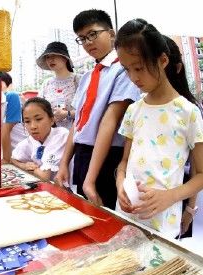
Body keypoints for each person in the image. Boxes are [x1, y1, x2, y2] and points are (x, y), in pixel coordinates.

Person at [114, 19, 203, 238]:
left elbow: (201, 174)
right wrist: (120, 184)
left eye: (139, 68)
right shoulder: (134, 110)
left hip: (163, 224)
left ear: (163, 60)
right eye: (127, 70)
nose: (134, 77)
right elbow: (124, 162)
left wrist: (171, 197)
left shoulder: (188, 112)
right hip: (126, 216)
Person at [55, 9, 140, 209]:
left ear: (111, 34)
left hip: (108, 154)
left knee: (107, 217)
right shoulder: (86, 77)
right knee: (86, 212)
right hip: (83, 154)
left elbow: (110, 119)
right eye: (82, 39)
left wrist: (91, 179)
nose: (88, 42)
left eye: (93, 34)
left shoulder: (123, 69)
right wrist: (64, 163)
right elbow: (78, 122)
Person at [163, 35, 200, 237]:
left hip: (181, 189)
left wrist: (190, 209)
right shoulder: (139, 107)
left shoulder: (190, 110)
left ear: (176, 69)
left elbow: (197, 167)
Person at [11, 97, 69, 181]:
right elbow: (13, 159)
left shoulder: (61, 135)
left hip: (67, 190)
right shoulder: (30, 141)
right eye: (27, 121)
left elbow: (44, 176)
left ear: (52, 120)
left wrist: (32, 169)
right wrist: (24, 165)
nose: (33, 126)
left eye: (38, 119)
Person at [36, 41, 80, 129]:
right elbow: (39, 109)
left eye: (54, 56)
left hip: (74, 135)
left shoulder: (78, 80)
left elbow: (90, 110)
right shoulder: (46, 83)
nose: (50, 60)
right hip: (52, 135)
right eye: (48, 57)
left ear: (64, 58)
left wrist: (67, 114)